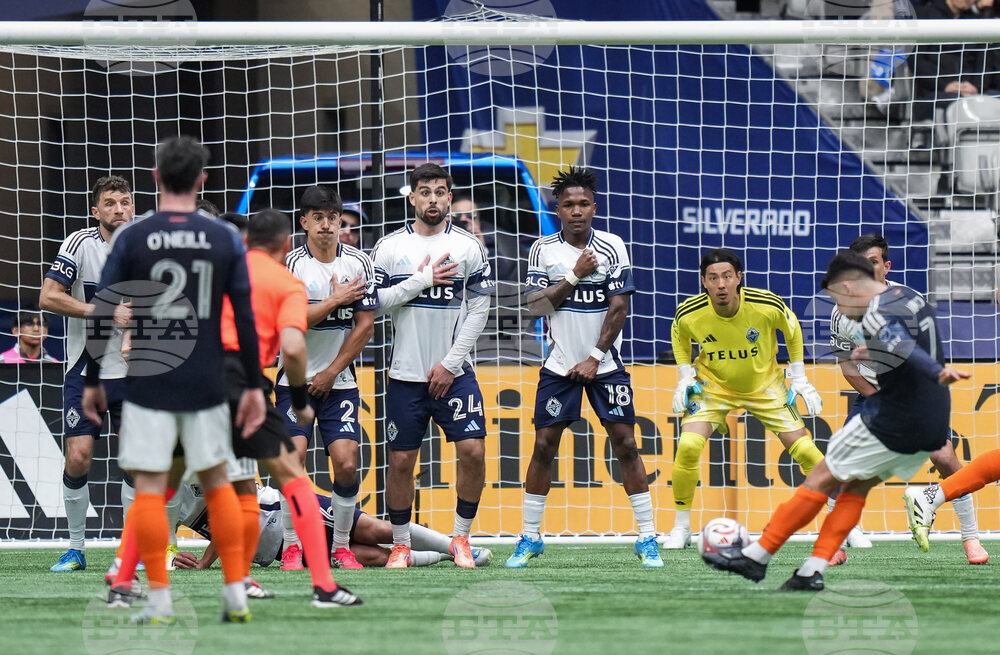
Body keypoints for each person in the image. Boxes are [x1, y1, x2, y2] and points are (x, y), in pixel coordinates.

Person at [704, 250, 969, 591]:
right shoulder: (910, 297)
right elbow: (905, 345)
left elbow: (903, 346)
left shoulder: (875, 313)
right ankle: (810, 572)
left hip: (896, 416)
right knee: (855, 488)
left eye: (837, 299)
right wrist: (876, 354)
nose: (840, 310)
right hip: (932, 420)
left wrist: (936, 371)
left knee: (821, 477)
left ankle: (756, 556)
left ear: (849, 286)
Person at [82, 135, 266, 624]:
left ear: (156, 177)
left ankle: (160, 600)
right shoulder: (223, 237)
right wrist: (253, 385)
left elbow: (104, 307)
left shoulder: (134, 236)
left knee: (149, 489)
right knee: (219, 483)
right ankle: (235, 593)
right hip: (207, 380)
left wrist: (95, 377)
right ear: (202, 179)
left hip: (149, 379)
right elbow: (245, 317)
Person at [505, 167, 662, 569]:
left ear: (594, 207)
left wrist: (594, 357)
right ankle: (530, 536)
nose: (576, 211)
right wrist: (574, 275)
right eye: (568, 205)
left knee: (626, 444)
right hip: (559, 365)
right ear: (557, 210)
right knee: (544, 446)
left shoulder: (613, 246)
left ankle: (647, 536)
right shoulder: (542, 250)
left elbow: (619, 307)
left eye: (583, 204)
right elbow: (536, 307)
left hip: (604, 365)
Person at [827, 234, 986, 565]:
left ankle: (971, 538)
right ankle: (834, 544)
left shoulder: (910, 302)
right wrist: (877, 399)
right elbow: (847, 365)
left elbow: (926, 354)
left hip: (915, 395)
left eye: (873, 263)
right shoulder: (842, 312)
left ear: (886, 266)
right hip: (874, 396)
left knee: (945, 457)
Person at [370, 162, 494, 569]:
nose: (433, 199)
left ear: (449, 197)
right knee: (401, 461)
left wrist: (450, 364)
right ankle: (401, 545)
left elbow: (479, 309)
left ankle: (461, 538)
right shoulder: (389, 247)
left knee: (473, 451)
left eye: (440, 192)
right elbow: (375, 304)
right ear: (412, 198)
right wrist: (420, 281)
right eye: (425, 192)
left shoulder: (468, 246)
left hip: (454, 373)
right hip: (405, 375)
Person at [664, 248, 825, 549]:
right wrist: (685, 376)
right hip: (713, 386)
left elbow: (792, 330)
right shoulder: (689, 312)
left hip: (766, 386)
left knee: (806, 450)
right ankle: (681, 527)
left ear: (739, 278)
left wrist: (800, 377)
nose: (721, 284)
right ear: (704, 282)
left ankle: (844, 521)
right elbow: (679, 337)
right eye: (713, 278)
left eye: (727, 276)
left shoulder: (766, 304)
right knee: (687, 446)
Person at [274, 186, 376, 571]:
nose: (327, 225)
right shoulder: (290, 265)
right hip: (294, 381)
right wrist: (334, 301)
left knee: (347, 464)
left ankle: (341, 548)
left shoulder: (359, 263)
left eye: (333, 218)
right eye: (318, 218)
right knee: (292, 459)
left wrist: (332, 372)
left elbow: (365, 327)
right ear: (304, 222)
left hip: (339, 382)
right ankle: (291, 546)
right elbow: (291, 322)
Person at [39, 175, 134, 573]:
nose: (119, 209)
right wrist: (105, 312)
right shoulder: (79, 244)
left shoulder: (149, 245)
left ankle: (131, 551)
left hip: (135, 372)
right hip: (85, 369)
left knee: (137, 462)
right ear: (96, 211)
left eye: (124, 202)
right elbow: (48, 296)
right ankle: (75, 548)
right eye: (110, 203)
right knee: (78, 458)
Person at [171, 482, 492, 570]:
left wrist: (204, 562)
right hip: (276, 549)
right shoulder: (163, 498)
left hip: (286, 511)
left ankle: (457, 546)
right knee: (373, 556)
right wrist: (174, 559)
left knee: (375, 531)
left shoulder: (196, 466)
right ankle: (445, 555)